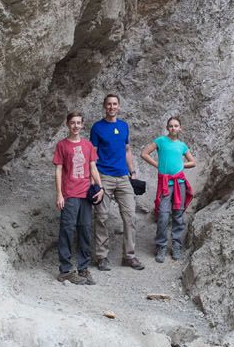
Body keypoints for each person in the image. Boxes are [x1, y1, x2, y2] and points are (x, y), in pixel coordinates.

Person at [90, 93, 144, 271]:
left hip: (123, 177)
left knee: (130, 217)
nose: (112, 107)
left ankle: (129, 256)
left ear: (119, 106)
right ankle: (102, 257)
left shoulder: (123, 126)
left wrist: (133, 172)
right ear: (104, 107)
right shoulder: (97, 128)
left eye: (115, 104)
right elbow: (93, 154)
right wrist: (94, 179)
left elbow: (127, 150)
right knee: (102, 217)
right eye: (109, 104)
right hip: (104, 176)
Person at [53, 111, 102, 285]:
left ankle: (83, 268)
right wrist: (59, 193)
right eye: (72, 123)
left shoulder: (88, 145)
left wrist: (100, 187)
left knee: (85, 230)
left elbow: (93, 167)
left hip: (86, 194)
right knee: (67, 230)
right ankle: (65, 270)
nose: (75, 126)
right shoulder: (62, 145)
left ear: (82, 125)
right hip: (70, 194)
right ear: (68, 124)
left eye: (78, 123)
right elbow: (58, 170)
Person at [140, 116, 196, 263]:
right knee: (163, 216)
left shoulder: (182, 145)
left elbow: (193, 162)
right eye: (171, 126)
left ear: (180, 128)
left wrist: (181, 165)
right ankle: (161, 246)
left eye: (176, 126)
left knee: (178, 214)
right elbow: (144, 153)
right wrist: (157, 165)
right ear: (167, 128)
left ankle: (176, 246)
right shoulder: (160, 141)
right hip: (165, 183)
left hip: (180, 182)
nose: (173, 128)